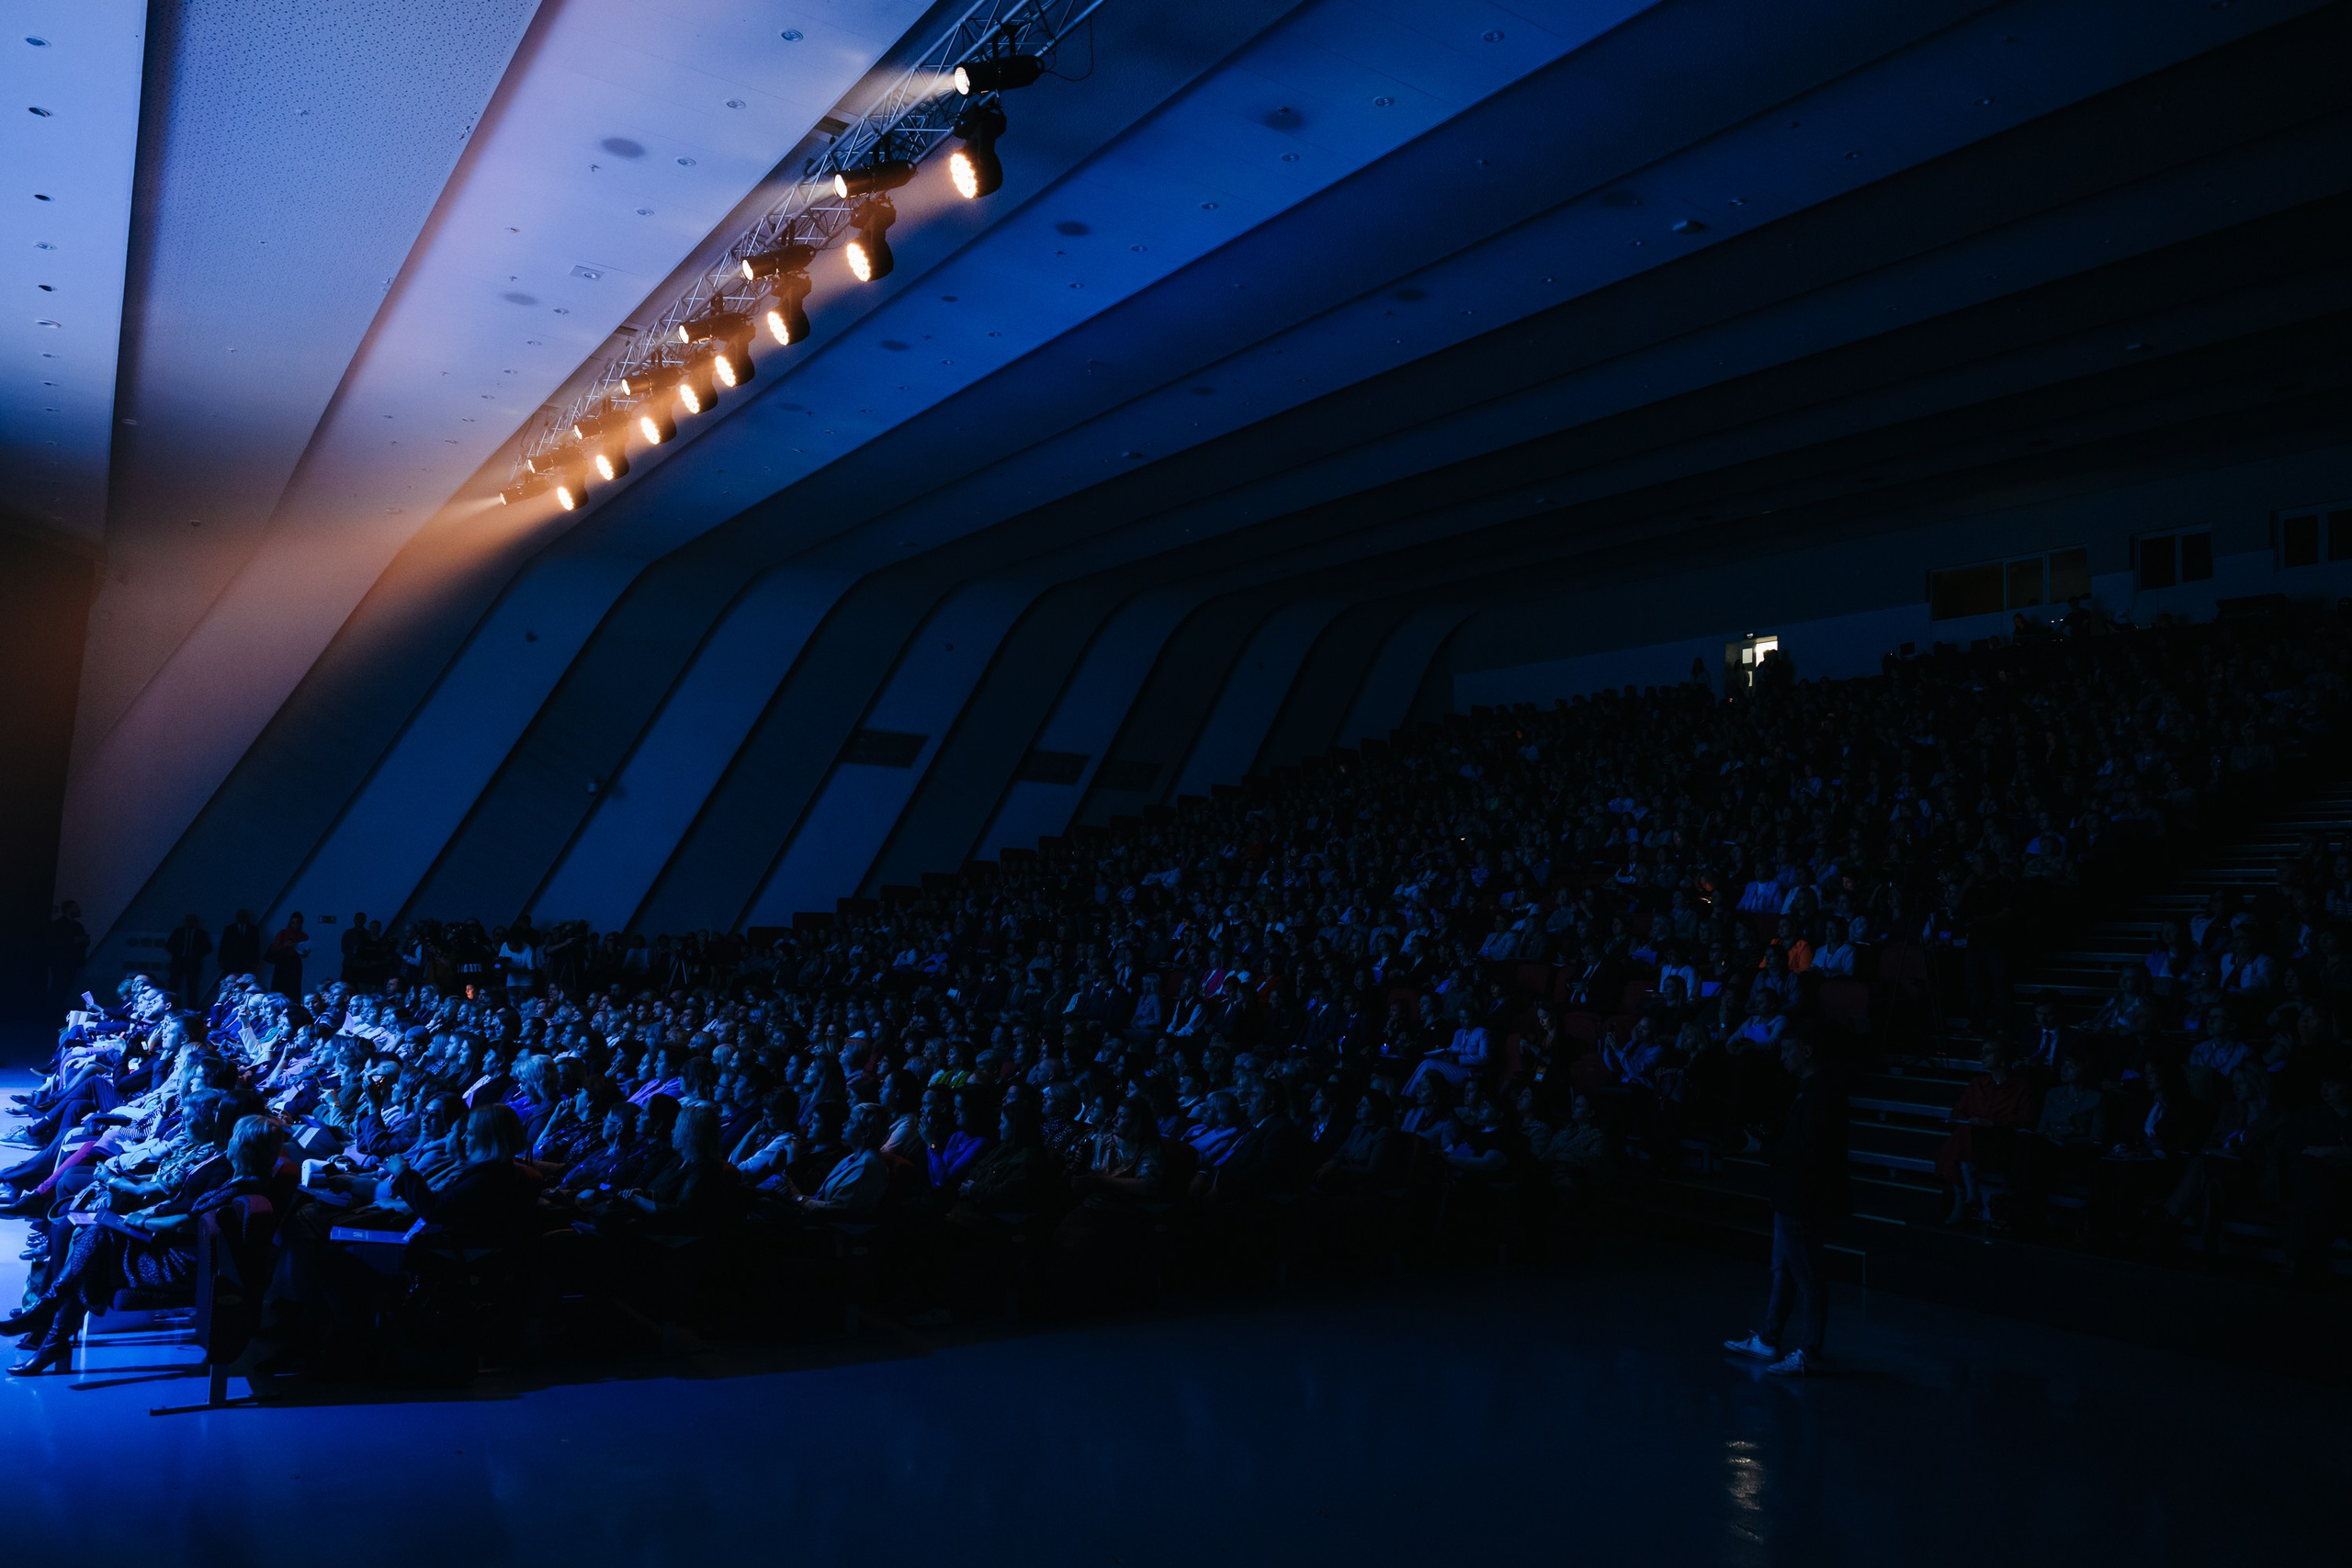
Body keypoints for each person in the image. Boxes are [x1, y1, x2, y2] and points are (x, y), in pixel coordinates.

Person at [1723, 1029, 1847, 1376]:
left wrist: (1760, 1148)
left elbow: (1809, 1150)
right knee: (1786, 1272)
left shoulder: (1819, 1093)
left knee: (1806, 1276)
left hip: (1802, 1196)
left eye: (1787, 1050)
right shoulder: (1811, 1089)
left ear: (1807, 1051)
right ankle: (1769, 1338)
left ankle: (1808, 1352)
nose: (1782, 1056)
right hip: (1792, 1194)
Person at [164, 913, 212, 1007]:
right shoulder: (178, 932)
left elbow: (208, 948)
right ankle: (170, 1005)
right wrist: (178, 954)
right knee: (174, 985)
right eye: (188, 921)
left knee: (192, 987)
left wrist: (196, 955)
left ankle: (192, 1008)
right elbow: (169, 945)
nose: (190, 923)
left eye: (192, 921)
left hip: (193, 963)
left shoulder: (200, 934)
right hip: (178, 962)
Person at [266, 913, 311, 999]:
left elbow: (304, 954)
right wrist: (285, 945)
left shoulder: (303, 936)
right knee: (279, 986)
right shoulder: (283, 933)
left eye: (297, 922)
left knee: (293, 987)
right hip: (283, 962)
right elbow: (274, 948)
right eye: (293, 922)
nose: (295, 925)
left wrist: (304, 951)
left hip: (295, 963)